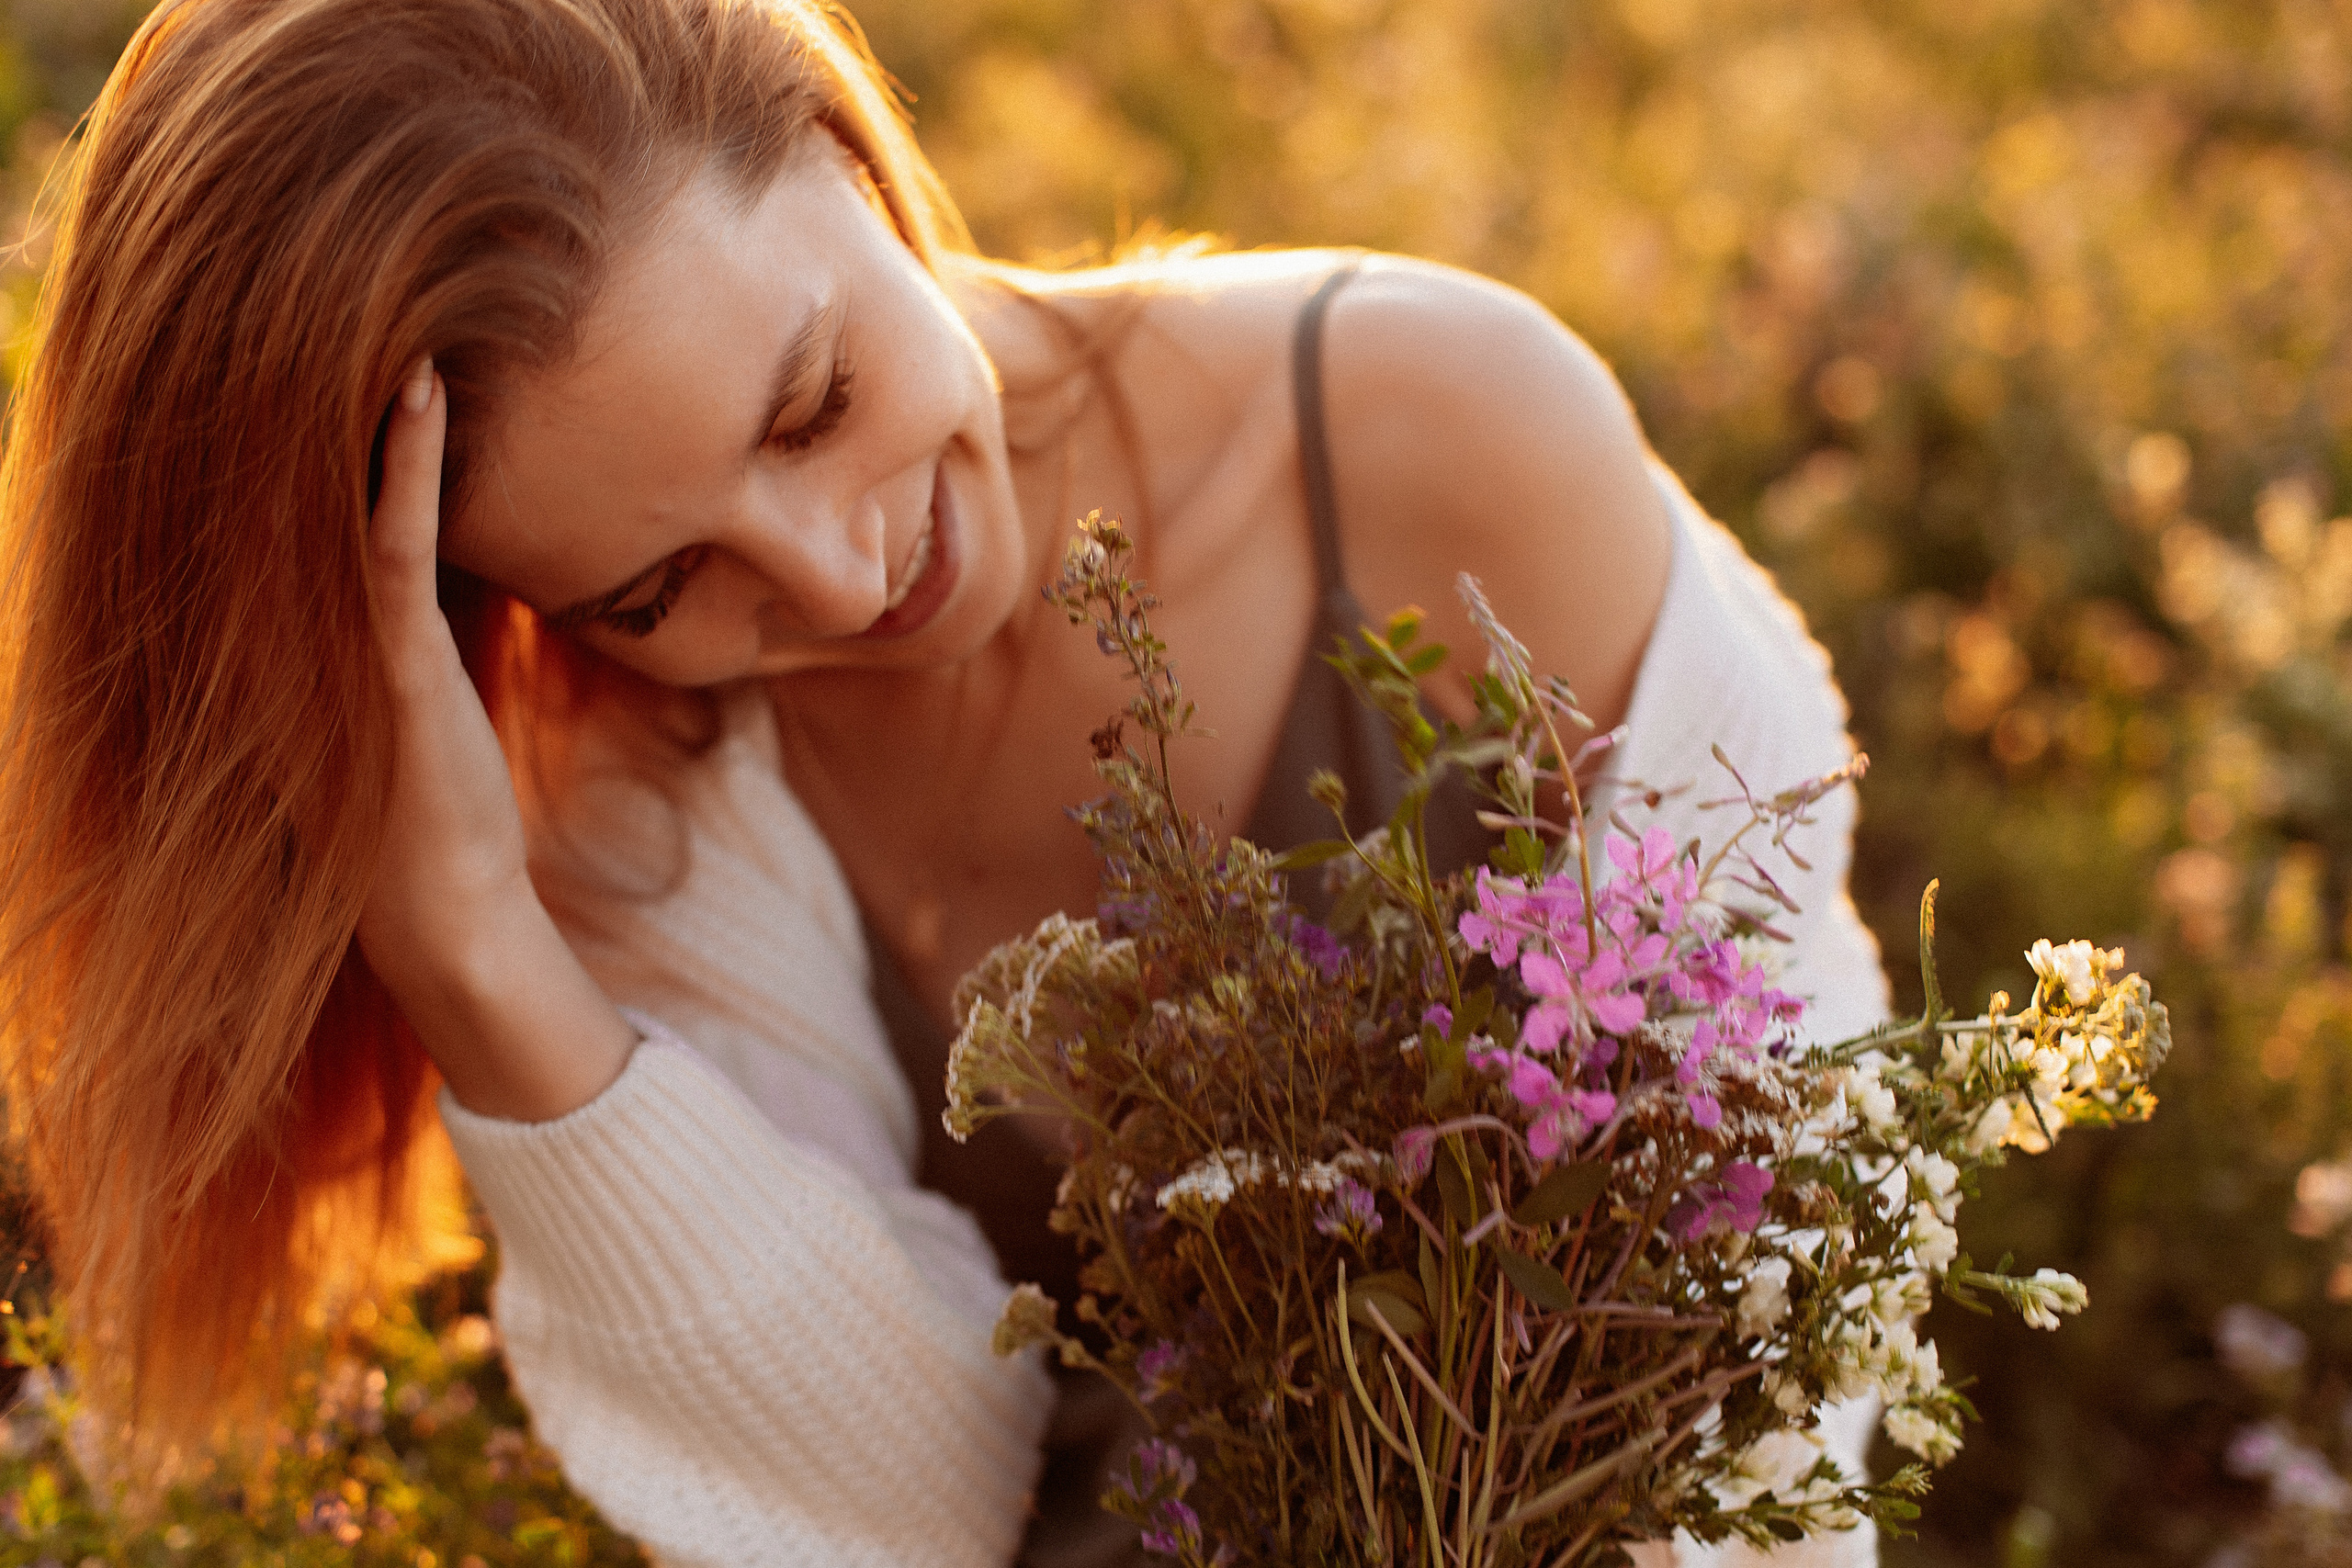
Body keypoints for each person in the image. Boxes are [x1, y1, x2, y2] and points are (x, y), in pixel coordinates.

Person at [0, 0, 1888, 1562]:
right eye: (655, 586)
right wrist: (478, 951)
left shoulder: (1437, 437)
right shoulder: (627, 788)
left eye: (807, 399)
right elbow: (898, 1509)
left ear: (832, 134)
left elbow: (1781, 1250)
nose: (832, 580)